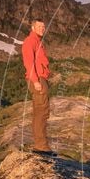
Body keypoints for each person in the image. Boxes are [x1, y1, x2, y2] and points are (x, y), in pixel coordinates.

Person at [21, 19, 56, 156]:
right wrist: (36, 81)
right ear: (33, 27)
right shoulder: (30, 41)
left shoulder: (37, 41)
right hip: (37, 80)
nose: (42, 28)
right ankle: (41, 147)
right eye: (39, 26)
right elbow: (29, 62)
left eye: (44, 26)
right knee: (41, 113)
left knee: (42, 112)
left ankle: (41, 145)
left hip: (41, 79)